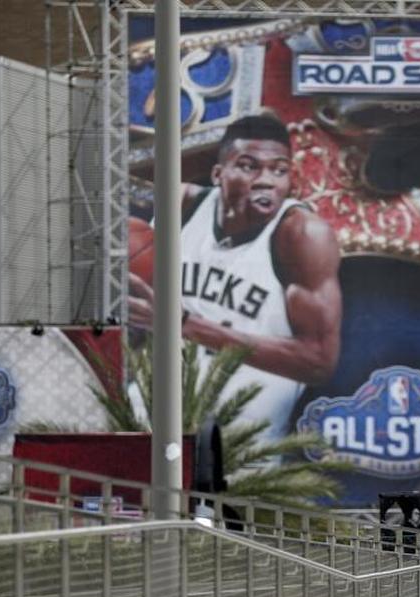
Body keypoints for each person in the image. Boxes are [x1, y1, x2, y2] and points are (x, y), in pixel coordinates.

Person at [128, 114, 343, 443]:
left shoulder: (301, 234)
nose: (266, 180)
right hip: (158, 409)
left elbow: (318, 362)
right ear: (218, 174)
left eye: (279, 170)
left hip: (245, 430)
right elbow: (147, 313)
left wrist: (185, 325)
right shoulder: (182, 205)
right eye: (249, 166)